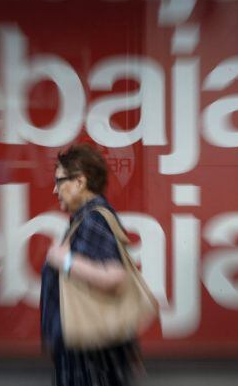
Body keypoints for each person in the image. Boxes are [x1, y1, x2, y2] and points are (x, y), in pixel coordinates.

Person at [40, 143, 142, 386]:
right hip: (86, 345)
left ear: (80, 182)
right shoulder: (86, 218)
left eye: (59, 181)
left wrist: (63, 260)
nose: (55, 190)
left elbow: (114, 276)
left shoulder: (93, 219)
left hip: (89, 352)